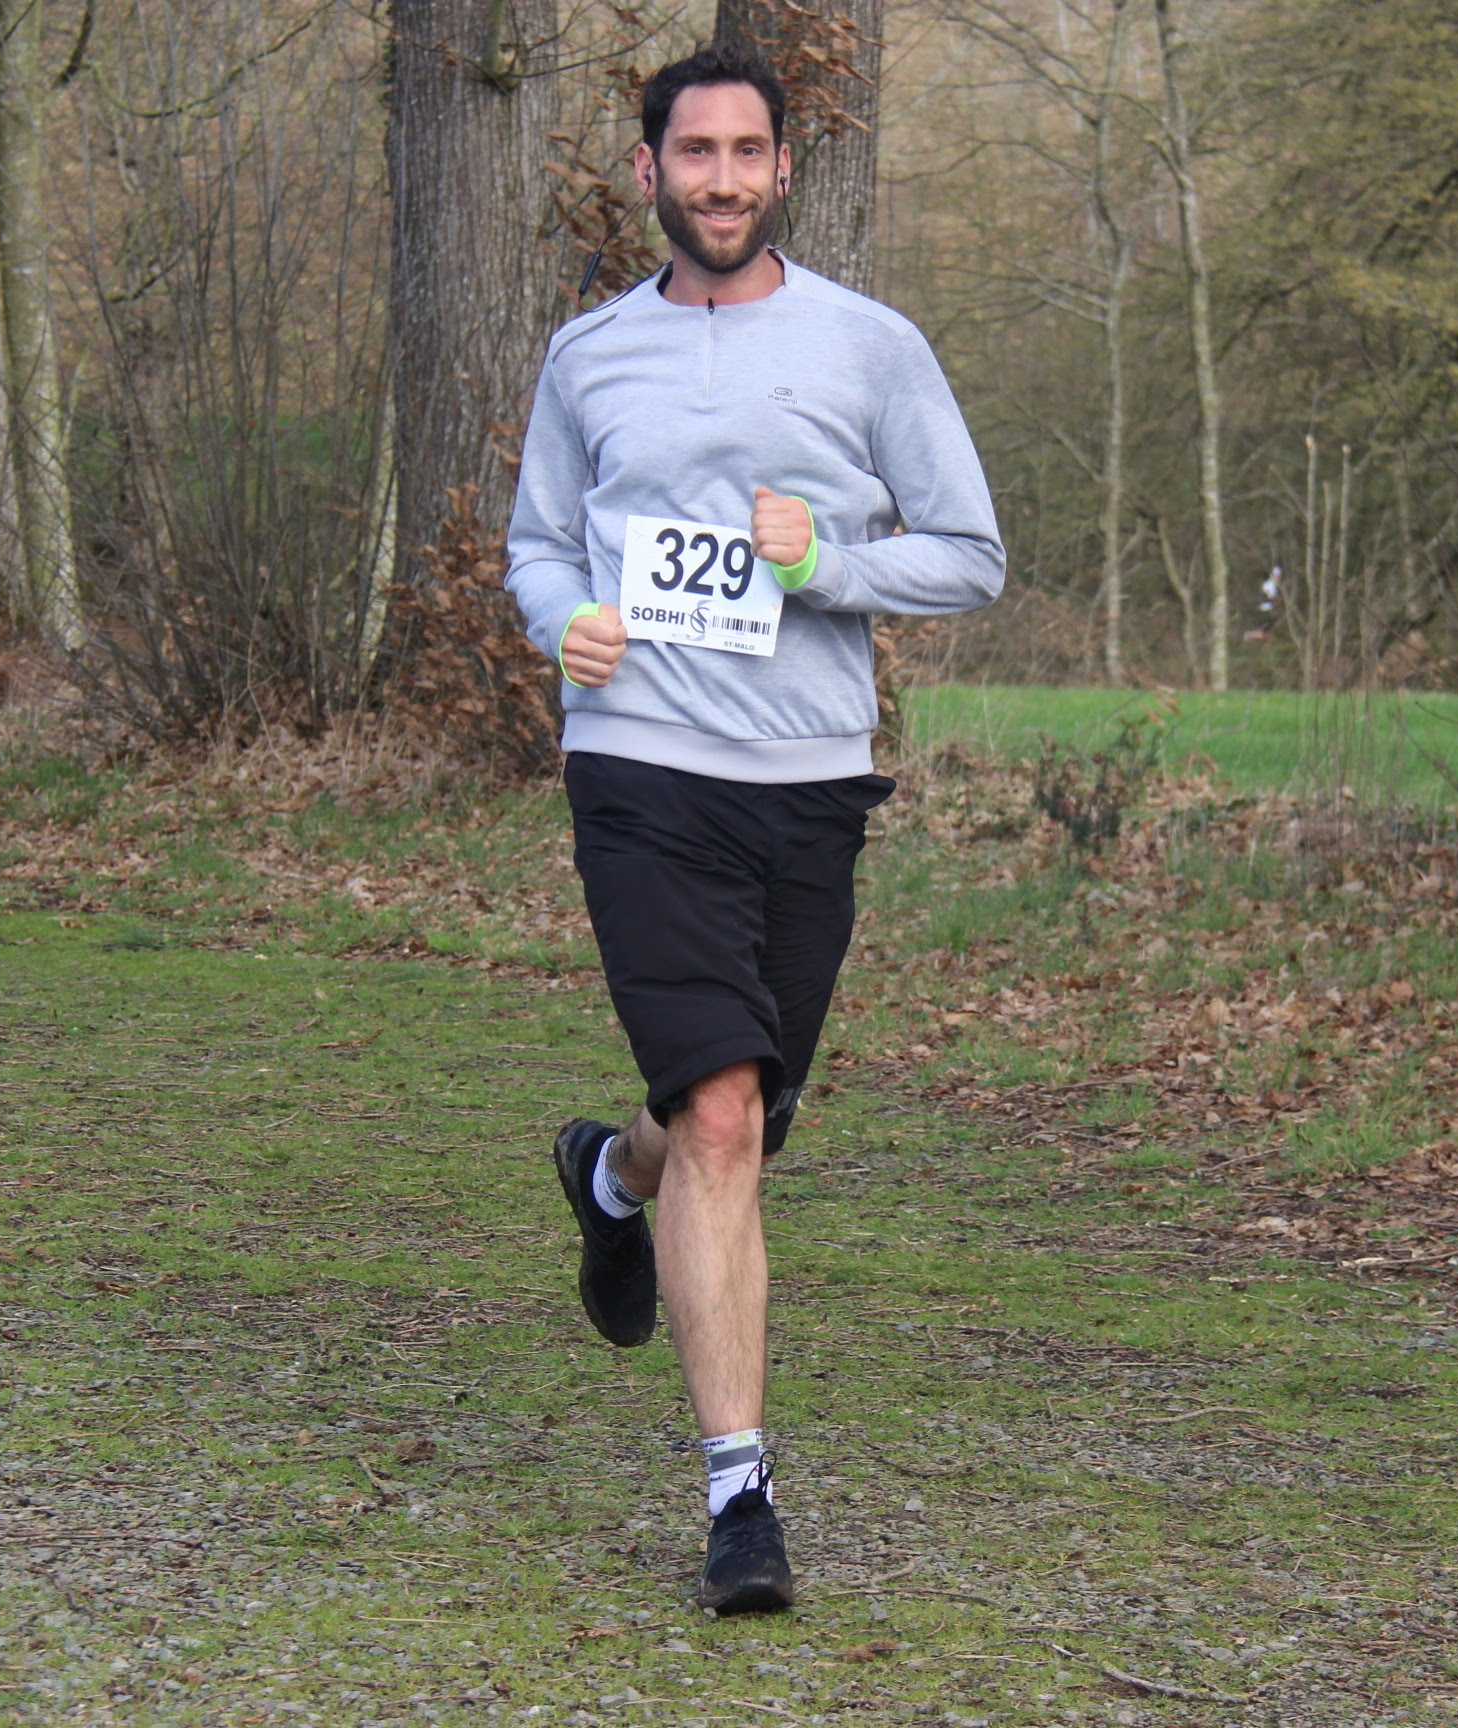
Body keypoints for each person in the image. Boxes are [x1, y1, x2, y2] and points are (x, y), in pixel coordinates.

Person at [502, 42, 1005, 1615]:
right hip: (640, 771)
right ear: (648, 171)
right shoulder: (589, 355)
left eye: (745, 153)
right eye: (692, 152)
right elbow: (536, 547)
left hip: (807, 782)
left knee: (738, 1115)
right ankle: (741, 1498)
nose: (719, 179)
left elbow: (971, 553)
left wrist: (827, 565)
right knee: (722, 1116)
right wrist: (565, 623)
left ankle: (612, 1179)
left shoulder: (870, 346)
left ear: (784, 169)